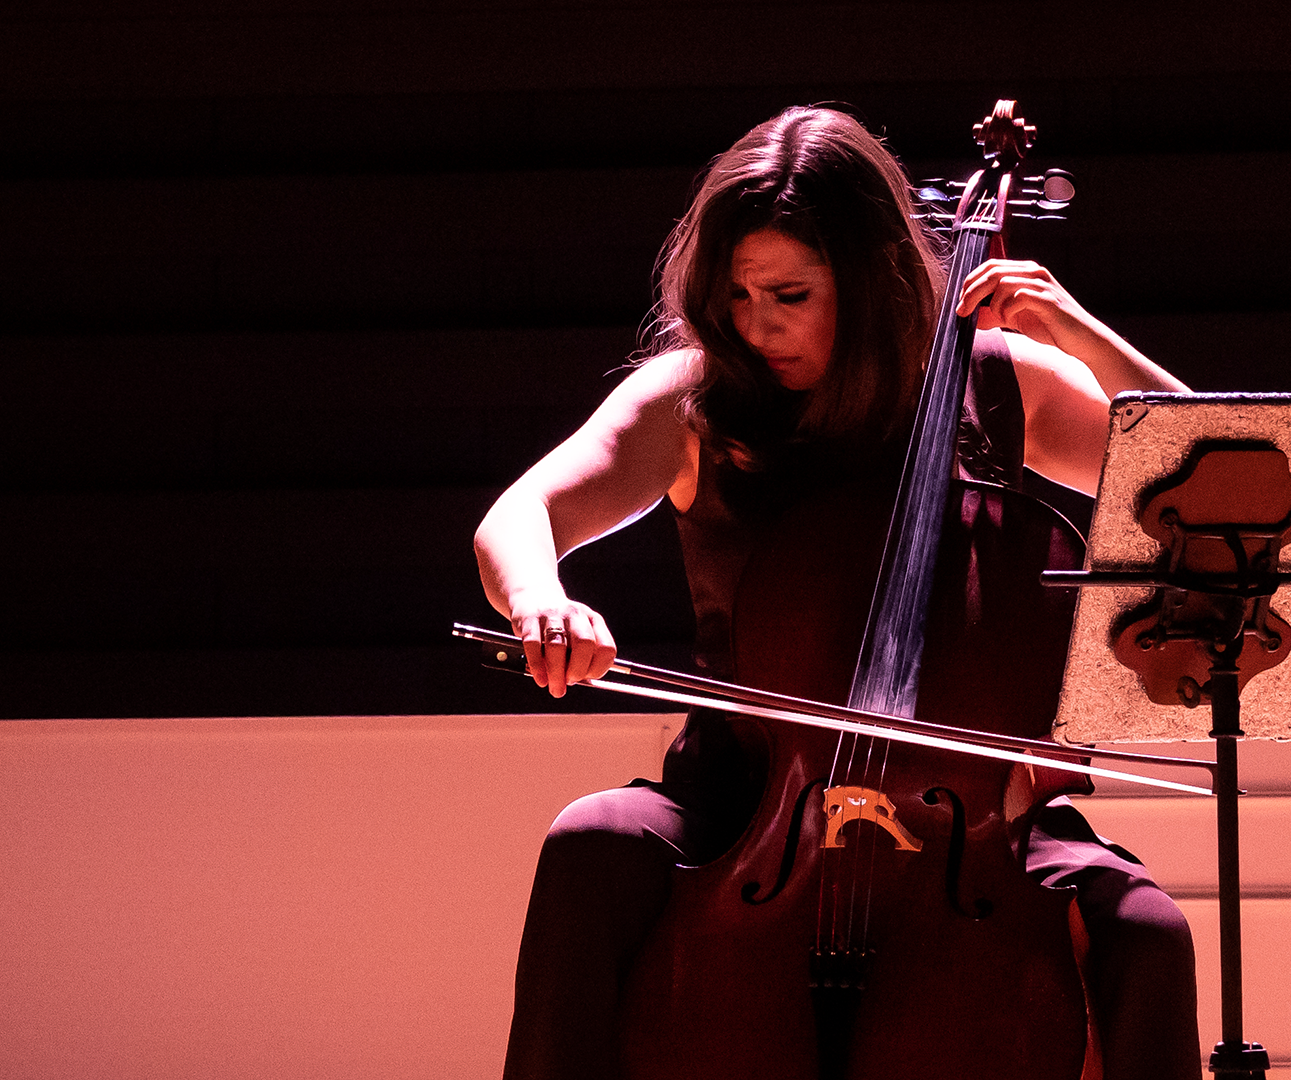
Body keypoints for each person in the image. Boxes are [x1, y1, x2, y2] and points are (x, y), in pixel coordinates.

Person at [475, 106, 1201, 1080]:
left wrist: (1078, 335)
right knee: (592, 843)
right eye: (733, 293)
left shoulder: (991, 387)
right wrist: (540, 600)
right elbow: (519, 518)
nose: (754, 323)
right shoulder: (695, 401)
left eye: (788, 293)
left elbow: (1221, 472)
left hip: (972, 827)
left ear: (869, 280)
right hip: (745, 808)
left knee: (1148, 931)